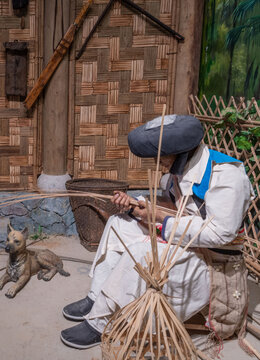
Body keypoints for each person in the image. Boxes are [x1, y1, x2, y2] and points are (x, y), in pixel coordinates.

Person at [60, 114, 255, 349]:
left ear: (182, 152)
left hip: (213, 262)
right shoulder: (178, 173)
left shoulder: (226, 177)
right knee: (119, 223)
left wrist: (160, 217)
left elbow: (220, 234)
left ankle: (101, 322)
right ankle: (97, 297)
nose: (157, 162)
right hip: (185, 241)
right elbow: (172, 206)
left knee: (144, 250)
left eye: (161, 156)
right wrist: (136, 207)